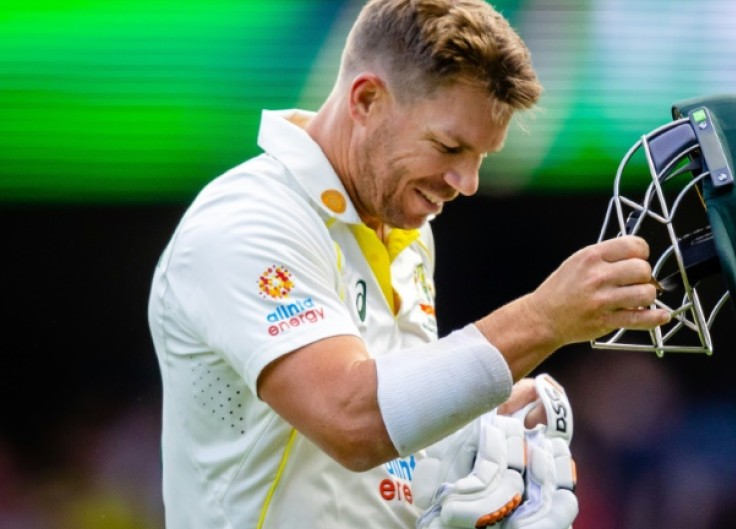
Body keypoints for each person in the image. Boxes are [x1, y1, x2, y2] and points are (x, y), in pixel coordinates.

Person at [147, 0, 669, 527]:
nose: (468, 184)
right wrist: (542, 319)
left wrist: (481, 419)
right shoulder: (248, 221)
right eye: (449, 147)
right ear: (367, 99)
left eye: (481, 158)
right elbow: (351, 420)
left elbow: (387, 450)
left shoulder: (406, 227)